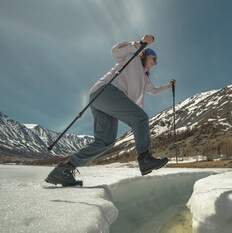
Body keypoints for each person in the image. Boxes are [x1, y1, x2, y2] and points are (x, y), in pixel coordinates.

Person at [45, 35, 176, 186]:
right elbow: (115, 51)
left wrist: (169, 86)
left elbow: (154, 90)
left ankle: (64, 170)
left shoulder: (145, 78)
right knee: (140, 118)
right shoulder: (132, 58)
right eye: (154, 58)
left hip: (106, 100)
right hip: (106, 91)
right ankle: (145, 158)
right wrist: (138, 44)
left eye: (156, 61)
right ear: (145, 55)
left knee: (105, 141)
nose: (155, 62)